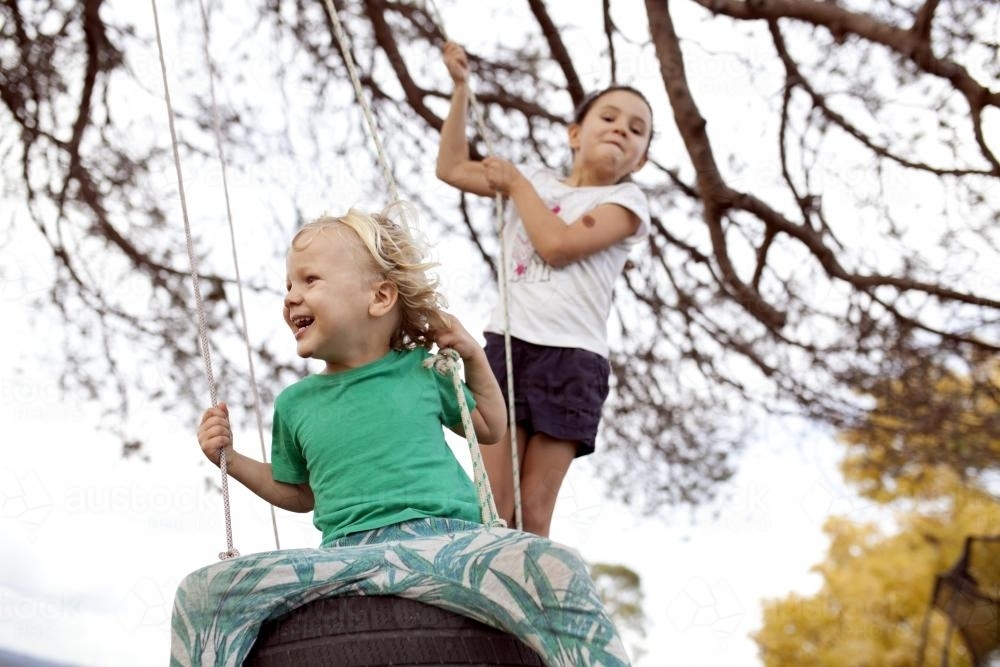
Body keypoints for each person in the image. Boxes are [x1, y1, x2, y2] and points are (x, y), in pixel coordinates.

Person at [436, 42, 653, 537]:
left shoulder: (626, 201)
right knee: (493, 509)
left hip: (572, 362)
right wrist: (460, 93)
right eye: (610, 118)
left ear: (640, 160)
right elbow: (449, 169)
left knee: (533, 515)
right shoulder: (531, 180)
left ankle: (529, 608)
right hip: (508, 348)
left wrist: (516, 185)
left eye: (636, 129)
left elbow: (557, 246)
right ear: (575, 134)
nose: (622, 129)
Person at [196, 207, 508, 545]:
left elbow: (490, 426)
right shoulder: (295, 405)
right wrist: (232, 460)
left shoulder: (422, 371)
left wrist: (473, 355)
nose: (289, 297)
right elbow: (300, 493)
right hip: (349, 552)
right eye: (288, 285)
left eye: (309, 279)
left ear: (379, 297)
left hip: (447, 534)